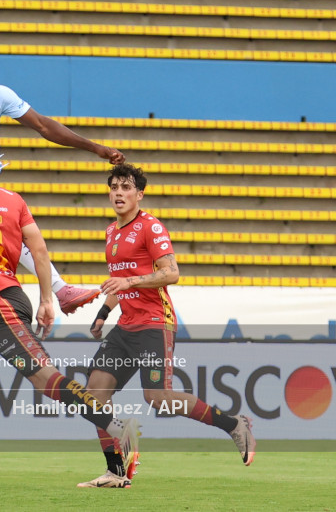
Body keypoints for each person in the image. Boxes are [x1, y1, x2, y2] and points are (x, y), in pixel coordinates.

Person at [0, 137, 140, 477]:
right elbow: (39, 250)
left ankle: (119, 428)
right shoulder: (13, 199)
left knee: (47, 380)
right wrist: (47, 298)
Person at [77, 163, 256, 489]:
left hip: (155, 323)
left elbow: (171, 273)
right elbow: (121, 282)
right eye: (114, 187)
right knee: (94, 395)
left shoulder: (151, 227)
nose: (119, 193)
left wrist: (129, 281)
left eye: (126, 187)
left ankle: (233, 424)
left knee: (158, 397)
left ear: (139, 194)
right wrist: (103, 312)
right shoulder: (111, 232)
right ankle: (116, 471)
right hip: (125, 326)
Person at [0, 41, 126, 315]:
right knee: (13, 232)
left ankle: (55, 292)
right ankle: (55, 292)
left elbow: (43, 125)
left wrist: (96, 148)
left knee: (23, 234)